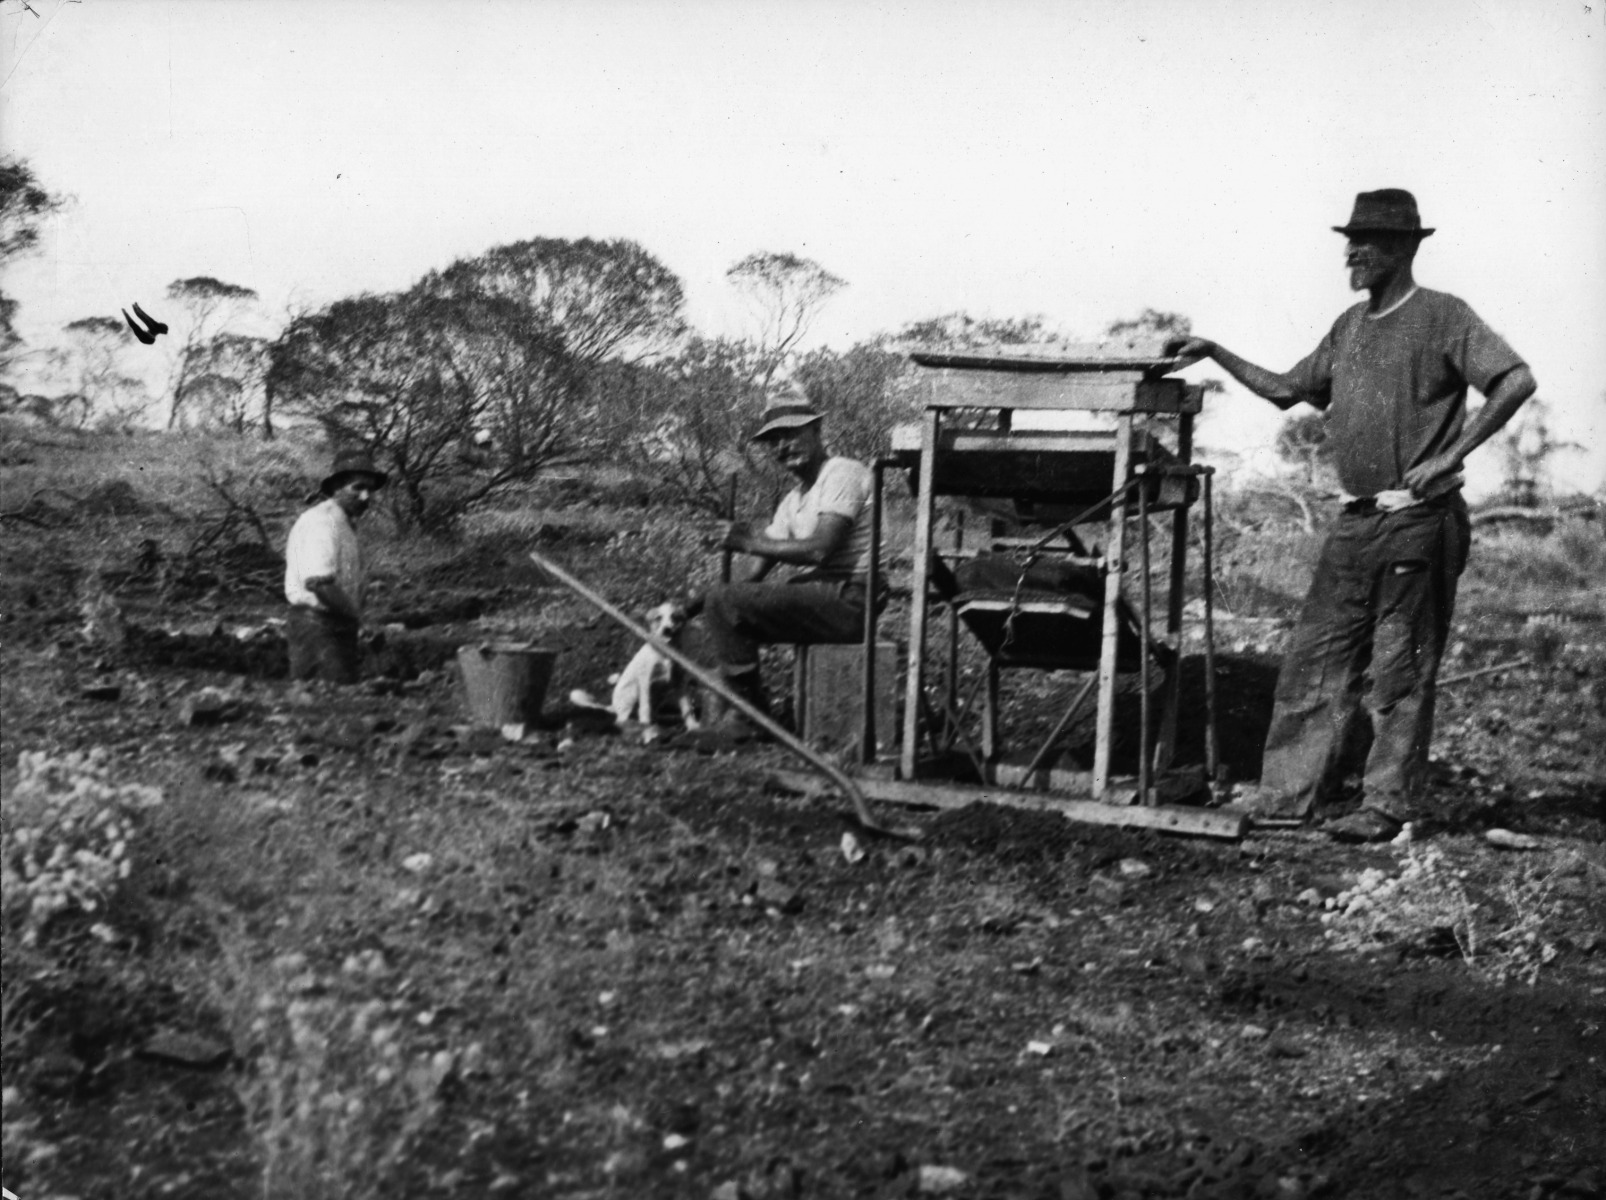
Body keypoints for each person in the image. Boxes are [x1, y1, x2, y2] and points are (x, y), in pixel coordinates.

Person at [1171, 189, 1536, 842]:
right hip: (1355, 522)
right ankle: (1287, 800)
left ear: (1402, 249)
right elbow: (1288, 390)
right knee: (1313, 662)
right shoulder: (1349, 326)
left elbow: (1515, 381)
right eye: (1350, 239)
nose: (1351, 252)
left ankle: (1386, 806)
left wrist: (1451, 453)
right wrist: (1214, 350)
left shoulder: (1443, 317)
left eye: (1365, 241)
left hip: (1418, 518)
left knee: (1400, 667)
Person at [696, 384, 882, 731]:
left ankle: (748, 716)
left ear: (816, 430)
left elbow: (819, 548)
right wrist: (692, 605)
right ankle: (747, 709)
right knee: (725, 603)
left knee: (727, 603)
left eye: (792, 434)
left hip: (854, 598)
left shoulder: (842, 472)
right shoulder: (793, 500)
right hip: (826, 595)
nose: (783, 447)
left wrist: (747, 540)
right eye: (775, 440)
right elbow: (751, 579)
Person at [283, 449, 389, 685]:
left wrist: (359, 621)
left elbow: (349, 586)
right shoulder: (322, 522)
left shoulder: (346, 525)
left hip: (339, 624)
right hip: (316, 626)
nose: (365, 497)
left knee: (343, 697)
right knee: (327, 699)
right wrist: (361, 620)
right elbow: (320, 584)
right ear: (337, 487)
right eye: (358, 488)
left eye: (370, 490)